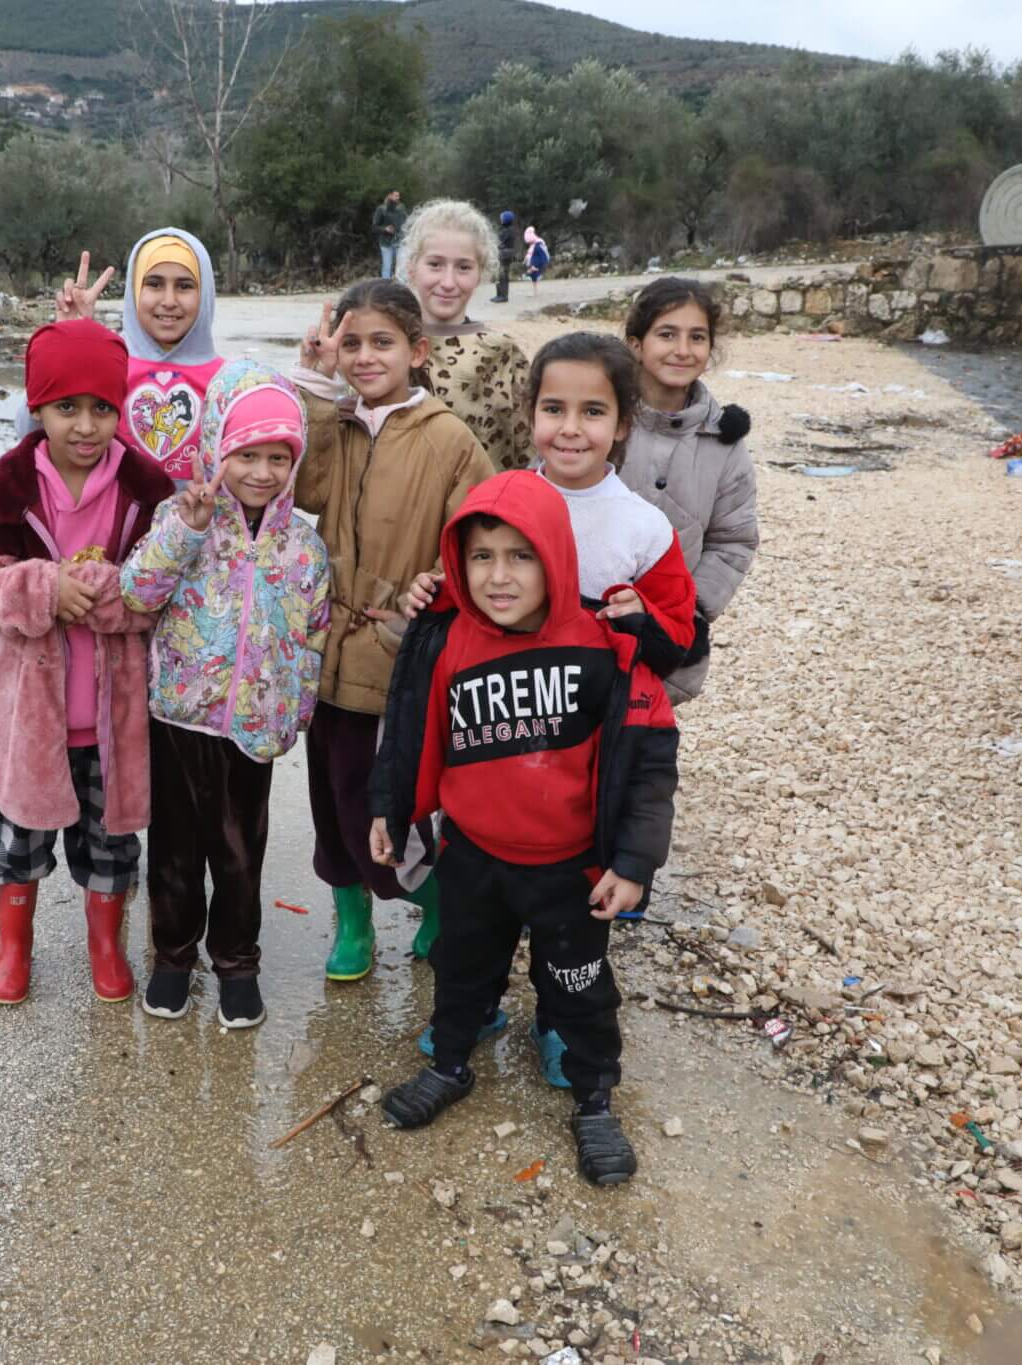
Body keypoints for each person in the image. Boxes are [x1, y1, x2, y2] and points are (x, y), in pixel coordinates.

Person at [399, 331, 704, 1080]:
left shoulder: (642, 527)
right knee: (484, 904)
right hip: (501, 732)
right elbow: (462, 592)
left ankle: (563, 1020)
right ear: (527, 411)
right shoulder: (498, 504)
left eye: (593, 411)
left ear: (623, 423)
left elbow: (683, 638)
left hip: (589, 746)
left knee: (573, 911)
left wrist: (640, 624)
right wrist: (428, 596)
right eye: (553, 408)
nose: (571, 428)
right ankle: (473, 1003)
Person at [369, 471, 682, 1186]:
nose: (499, 576)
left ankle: (595, 1094)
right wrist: (390, 809)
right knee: (459, 968)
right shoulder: (445, 639)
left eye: (521, 555)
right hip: (474, 858)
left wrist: (634, 862)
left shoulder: (609, 645)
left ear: (557, 557)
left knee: (579, 984)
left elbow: (651, 764)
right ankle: (451, 1062)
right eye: (482, 557)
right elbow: (410, 731)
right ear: (458, 562)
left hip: (570, 869)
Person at [0, 319, 174, 1006]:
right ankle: (13, 940)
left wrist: (107, 594)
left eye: (102, 408)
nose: (86, 425)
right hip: (32, 714)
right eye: (66, 408)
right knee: (18, 839)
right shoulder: (9, 491)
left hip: (113, 715)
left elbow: (159, 594)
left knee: (110, 842)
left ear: (121, 409)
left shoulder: (145, 491)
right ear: (37, 407)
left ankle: (105, 940)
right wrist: (46, 588)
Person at [291, 278, 497, 982]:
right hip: (327, 648)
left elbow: (480, 541)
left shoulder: (448, 439)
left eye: (382, 342)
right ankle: (352, 923)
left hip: (401, 654)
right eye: (351, 343)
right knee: (329, 795)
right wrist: (315, 390)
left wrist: (434, 590)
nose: (365, 357)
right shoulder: (341, 423)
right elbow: (302, 489)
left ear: (417, 350)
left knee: (389, 803)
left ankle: (431, 900)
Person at [119, 361, 331, 1028]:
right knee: (175, 852)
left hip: (253, 728)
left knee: (240, 856)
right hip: (179, 716)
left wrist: (294, 714)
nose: (262, 471)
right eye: (247, 454)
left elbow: (312, 635)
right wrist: (183, 531)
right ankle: (174, 957)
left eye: (277, 457)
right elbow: (136, 591)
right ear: (217, 449)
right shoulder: (180, 518)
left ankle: (237, 962)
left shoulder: (304, 545)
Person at [614, 277, 759, 705]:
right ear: (636, 343)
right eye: (667, 334)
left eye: (697, 337)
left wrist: (685, 614)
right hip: (583, 624)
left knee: (646, 755)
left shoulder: (724, 443)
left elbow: (733, 540)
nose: (682, 349)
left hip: (666, 635)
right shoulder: (599, 420)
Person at [53, 229, 225, 481]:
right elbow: (31, 431)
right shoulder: (106, 365)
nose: (168, 300)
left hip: (200, 520)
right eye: (154, 284)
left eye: (185, 286)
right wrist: (69, 347)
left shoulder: (229, 382)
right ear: (134, 291)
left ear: (206, 294)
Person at [397, 199, 534, 474]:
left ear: (481, 273)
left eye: (463, 267)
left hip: (482, 511)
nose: (448, 282)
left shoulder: (502, 353)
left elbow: (527, 451)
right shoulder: (387, 349)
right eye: (435, 264)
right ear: (412, 268)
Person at [373, 190, 407, 278]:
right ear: (389, 195)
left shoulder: (401, 207)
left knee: (402, 267)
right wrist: (385, 229)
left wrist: (406, 233)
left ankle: (401, 288)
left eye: (398, 196)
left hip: (400, 241)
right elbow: (374, 227)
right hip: (386, 243)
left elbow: (406, 222)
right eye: (396, 196)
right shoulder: (381, 209)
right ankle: (386, 289)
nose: (398, 198)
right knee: (387, 267)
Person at [493, 210, 518, 303]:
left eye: (502, 218)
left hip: (506, 254)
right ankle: (499, 294)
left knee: (503, 275)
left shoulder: (509, 231)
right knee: (500, 275)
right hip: (504, 253)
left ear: (506, 219)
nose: (500, 219)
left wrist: (497, 246)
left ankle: (503, 296)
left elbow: (502, 243)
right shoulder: (506, 230)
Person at [523, 226, 550, 295]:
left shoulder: (538, 245)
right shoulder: (534, 245)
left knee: (533, 276)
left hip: (536, 264)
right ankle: (535, 292)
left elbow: (543, 256)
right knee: (533, 277)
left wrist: (537, 266)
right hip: (534, 264)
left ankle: (535, 292)